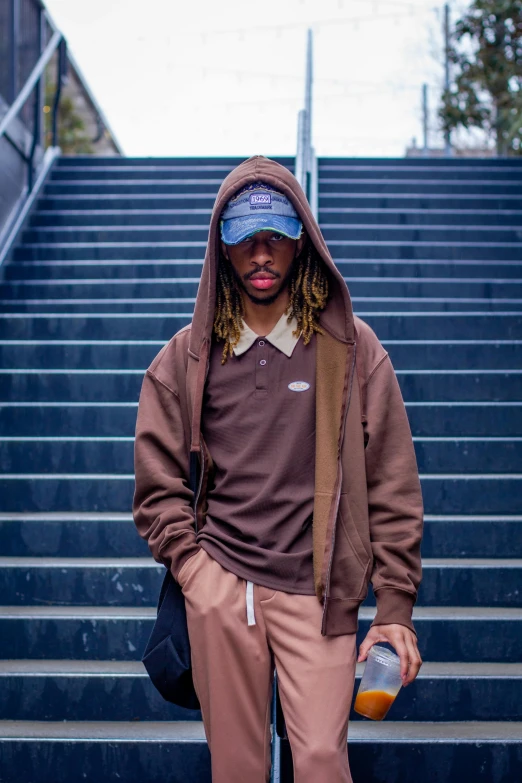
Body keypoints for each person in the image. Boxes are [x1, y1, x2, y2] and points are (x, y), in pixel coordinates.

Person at [132, 155, 424, 783]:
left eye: (276, 237)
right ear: (222, 247)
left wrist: (394, 607)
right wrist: (194, 570)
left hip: (315, 593)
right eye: (244, 238)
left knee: (320, 759)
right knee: (235, 767)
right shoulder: (185, 359)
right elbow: (158, 488)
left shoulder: (352, 350)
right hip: (221, 588)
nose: (261, 254)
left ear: (302, 241)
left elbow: (393, 482)